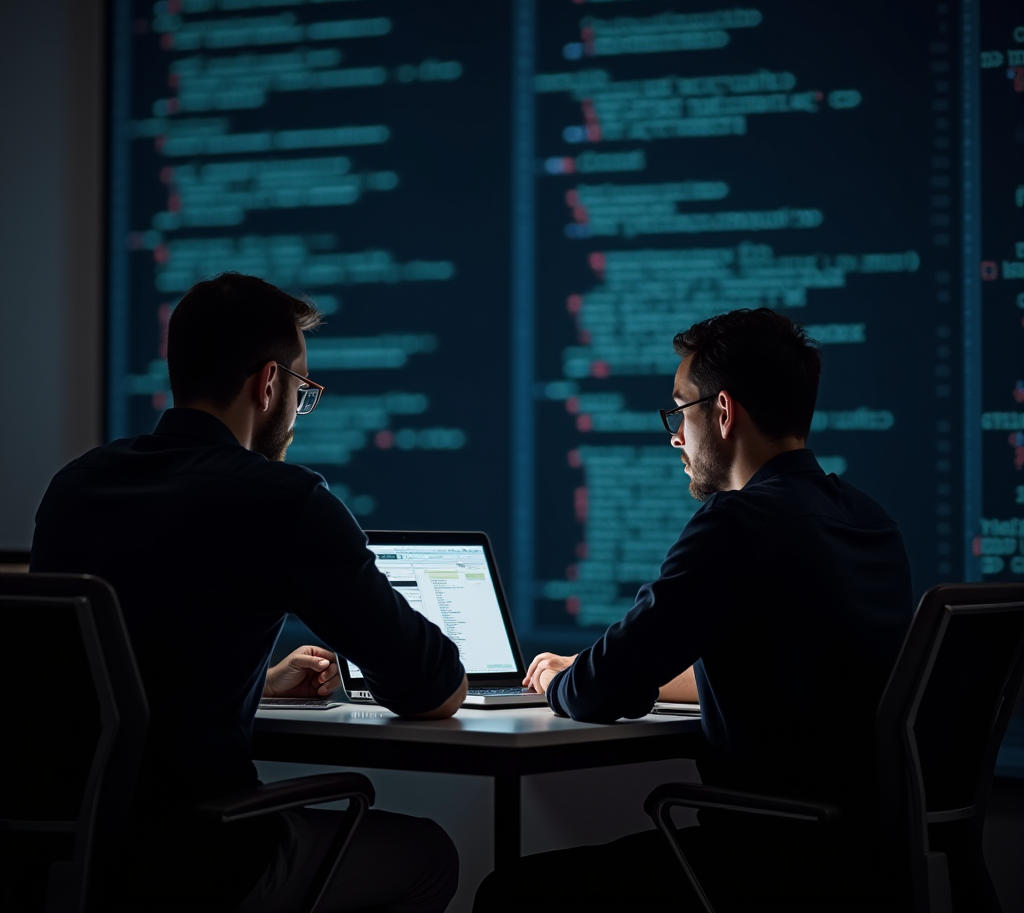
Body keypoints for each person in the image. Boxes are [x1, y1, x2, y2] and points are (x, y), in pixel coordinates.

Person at [31, 272, 467, 912]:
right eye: (303, 390)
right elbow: (432, 687)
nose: (298, 410)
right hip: (204, 857)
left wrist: (259, 683)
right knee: (429, 855)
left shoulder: (75, 487)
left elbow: (101, 687)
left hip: (67, 855)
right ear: (269, 384)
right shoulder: (281, 501)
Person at [474, 308, 913, 913]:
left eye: (680, 411)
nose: (675, 436)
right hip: (864, 854)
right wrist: (594, 666)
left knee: (510, 894)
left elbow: (602, 692)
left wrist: (562, 678)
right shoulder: (869, 519)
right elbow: (792, 672)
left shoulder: (737, 525)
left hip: (767, 857)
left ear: (723, 412)